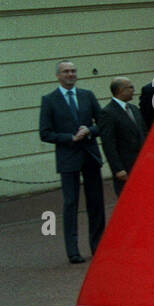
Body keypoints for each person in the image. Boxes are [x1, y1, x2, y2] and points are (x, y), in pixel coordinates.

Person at [39, 60, 105, 263]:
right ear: (58, 75)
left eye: (73, 71)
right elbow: (45, 133)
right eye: (66, 71)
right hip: (68, 158)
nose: (70, 74)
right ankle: (73, 251)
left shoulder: (87, 95)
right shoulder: (49, 100)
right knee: (71, 204)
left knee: (96, 203)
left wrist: (90, 131)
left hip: (90, 155)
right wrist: (69, 138)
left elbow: (103, 122)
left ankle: (98, 245)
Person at [99, 77, 146, 197]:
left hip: (142, 165)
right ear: (120, 90)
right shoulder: (108, 113)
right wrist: (117, 168)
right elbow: (108, 143)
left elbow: (143, 134)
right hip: (126, 167)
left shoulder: (134, 109)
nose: (133, 90)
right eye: (130, 87)